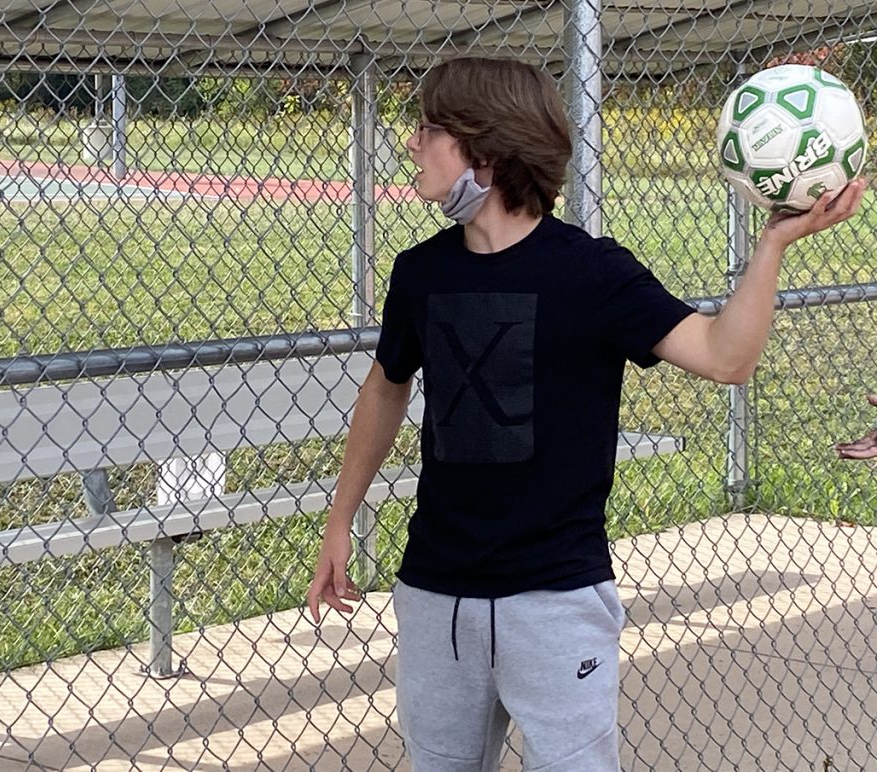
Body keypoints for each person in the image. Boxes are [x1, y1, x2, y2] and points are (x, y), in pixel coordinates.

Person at [306, 57, 865, 771]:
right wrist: (339, 519)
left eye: (428, 129)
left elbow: (727, 357)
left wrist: (772, 244)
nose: (411, 144)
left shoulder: (592, 272)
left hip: (558, 598)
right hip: (436, 592)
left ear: (485, 149)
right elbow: (386, 388)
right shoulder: (421, 272)